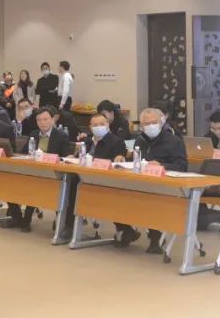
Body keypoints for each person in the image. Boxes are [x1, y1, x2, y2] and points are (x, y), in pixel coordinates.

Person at [132, 107, 188, 254]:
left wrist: (162, 166)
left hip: (165, 185)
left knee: (151, 198)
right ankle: (125, 230)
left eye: (154, 122)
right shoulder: (139, 140)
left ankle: (155, 239)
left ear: (161, 122)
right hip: (142, 182)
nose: (150, 126)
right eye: (146, 124)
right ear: (141, 126)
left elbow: (182, 166)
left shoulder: (174, 141)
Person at [10, 106, 73, 234]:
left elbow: (66, 157)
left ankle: (31, 219)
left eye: (45, 119)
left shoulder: (61, 136)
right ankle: (18, 218)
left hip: (53, 176)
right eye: (39, 120)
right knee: (10, 185)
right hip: (33, 173)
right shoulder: (34, 134)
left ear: (53, 120)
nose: (42, 122)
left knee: (35, 187)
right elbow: (24, 153)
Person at [80, 113, 139, 245]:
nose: (98, 127)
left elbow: (119, 162)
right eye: (95, 125)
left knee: (107, 196)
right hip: (86, 179)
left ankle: (125, 229)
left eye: (102, 124)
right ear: (90, 127)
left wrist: (118, 159)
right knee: (71, 186)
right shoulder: (87, 141)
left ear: (108, 125)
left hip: (107, 182)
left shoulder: (116, 141)